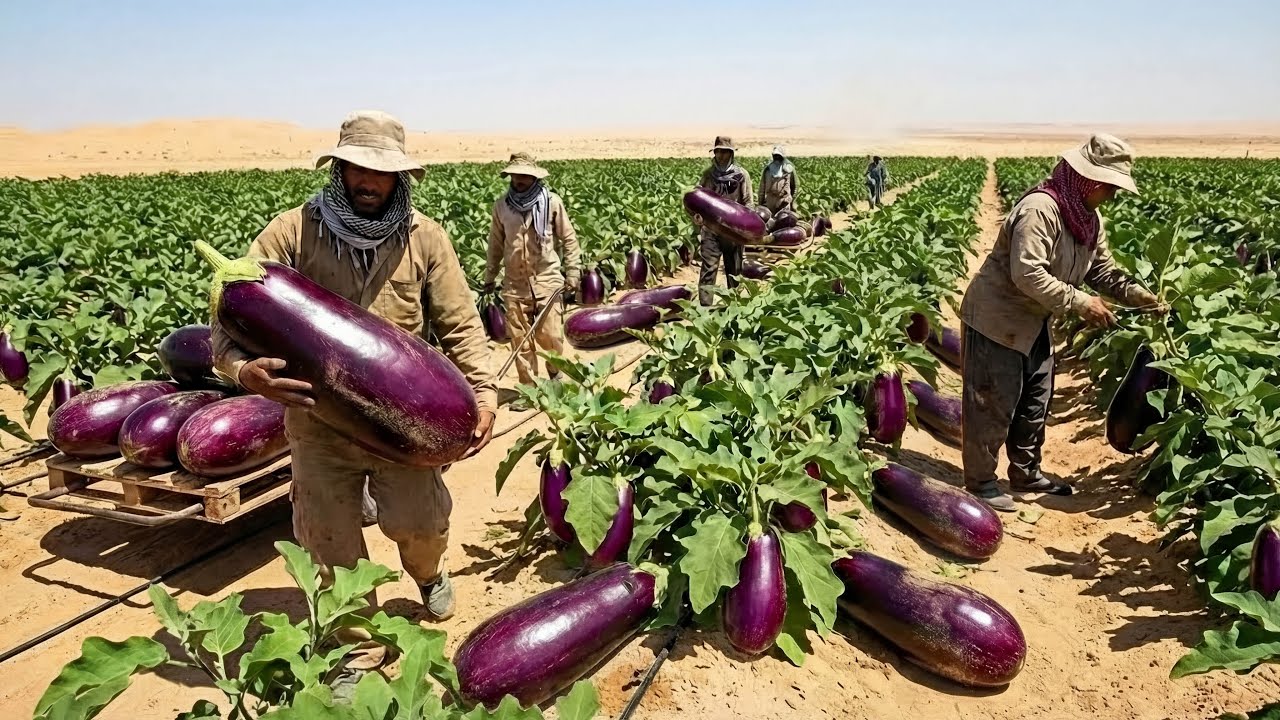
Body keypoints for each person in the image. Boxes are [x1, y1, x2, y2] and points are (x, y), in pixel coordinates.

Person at [211, 111, 497, 656]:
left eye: (380, 173)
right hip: (319, 424)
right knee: (328, 543)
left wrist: (483, 394)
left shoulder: (425, 238)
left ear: (400, 178)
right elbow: (228, 315)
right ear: (338, 168)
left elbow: (462, 324)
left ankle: (428, 573)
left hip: (403, 421)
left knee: (421, 525)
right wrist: (241, 371)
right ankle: (354, 651)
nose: (368, 182)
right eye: (357, 169)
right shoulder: (292, 231)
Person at [959, 133, 1166, 512]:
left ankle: (1025, 473)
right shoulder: (1041, 209)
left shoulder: (1088, 219)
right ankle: (982, 482)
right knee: (992, 403)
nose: (1113, 195)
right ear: (1089, 181)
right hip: (996, 318)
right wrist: (1080, 302)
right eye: (1109, 187)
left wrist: (1137, 294)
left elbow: (1100, 269)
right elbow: (1027, 274)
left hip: (1036, 319)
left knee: (1035, 400)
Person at [482, 153, 581, 408]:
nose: (519, 180)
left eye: (524, 175)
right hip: (514, 285)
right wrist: (490, 276)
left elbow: (569, 239)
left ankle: (555, 377)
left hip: (547, 280)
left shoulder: (552, 203)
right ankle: (529, 391)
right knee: (520, 341)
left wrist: (573, 272)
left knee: (551, 336)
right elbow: (495, 244)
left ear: (534, 176)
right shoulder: (501, 206)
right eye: (515, 175)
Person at [697, 136, 754, 306]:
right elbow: (700, 199)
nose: (720, 155)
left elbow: (748, 202)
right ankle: (705, 308)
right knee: (709, 268)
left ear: (731, 154)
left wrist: (744, 225)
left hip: (732, 232)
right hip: (711, 230)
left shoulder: (741, 175)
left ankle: (733, 306)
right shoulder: (708, 175)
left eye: (724, 152)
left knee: (734, 271)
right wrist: (698, 215)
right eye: (718, 151)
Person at [759, 145, 797, 214]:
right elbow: (762, 188)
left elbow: (794, 187)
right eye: (775, 155)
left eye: (779, 156)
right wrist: (760, 203)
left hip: (784, 203)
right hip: (770, 203)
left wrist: (790, 200)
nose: (777, 157)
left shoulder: (789, 170)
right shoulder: (767, 170)